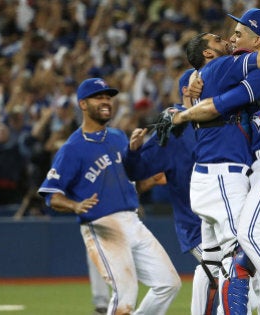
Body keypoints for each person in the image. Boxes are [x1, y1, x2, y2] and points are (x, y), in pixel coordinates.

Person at [171, 8, 260, 314]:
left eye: (237, 33)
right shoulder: (229, 69)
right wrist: (187, 98)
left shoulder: (259, 71)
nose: (231, 38)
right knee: (239, 247)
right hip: (242, 169)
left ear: (255, 38)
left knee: (237, 245)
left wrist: (182, 111)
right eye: (225, 37)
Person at [37, 78, 181, 315]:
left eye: (108, 97)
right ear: (83, 104)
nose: (106, 101)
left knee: (168, 283)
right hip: (102, 225)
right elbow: (52, 195)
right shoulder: (73, 148)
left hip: (132, 220)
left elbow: (129, 185)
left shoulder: (118, 137)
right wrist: (75, 205)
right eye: (99, 97)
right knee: (125, 292)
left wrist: (151, 180)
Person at [125, 69, 210, 315]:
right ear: (186, 90)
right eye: (198, 82)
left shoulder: (216, 118)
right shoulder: (173, 125)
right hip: (196, 223)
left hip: (226, 218)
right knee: (224, 271)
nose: (204, 85)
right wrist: (133, 151)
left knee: (243, 276)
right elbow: (138, 170)